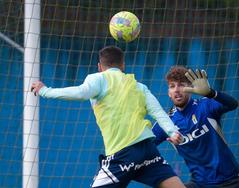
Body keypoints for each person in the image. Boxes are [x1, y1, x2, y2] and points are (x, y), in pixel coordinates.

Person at [31, 46, 185, 188]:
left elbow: (80, 93)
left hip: (123, 154)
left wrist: (45, 91)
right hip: (147, 151)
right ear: (123, 65)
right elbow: (158, 112)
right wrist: (172, 132)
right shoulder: (139, 86)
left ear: (99, 67)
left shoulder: (98, 78)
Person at [152, 66, 239, 188]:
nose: (176, 90)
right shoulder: (166, 122)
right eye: (172, 86)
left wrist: (211, 93)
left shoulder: (205, 106)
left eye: (181, 85)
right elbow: (145, 146)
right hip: (199, 184)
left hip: (229, 181)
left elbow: (233, 104)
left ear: (191, 88)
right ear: (168, 93)